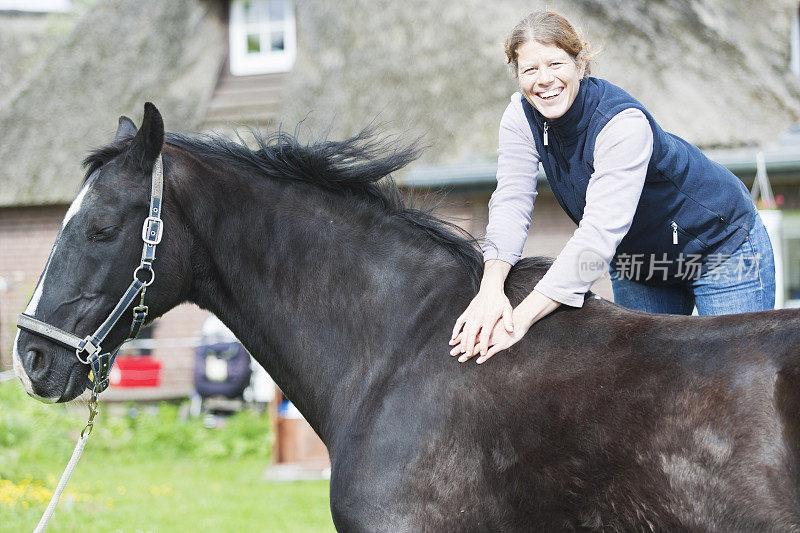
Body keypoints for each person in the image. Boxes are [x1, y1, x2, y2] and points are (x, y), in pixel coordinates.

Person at [449, 10, 775, 365]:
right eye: (530, 70)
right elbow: (511, 201)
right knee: (646, 381)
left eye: (556, 63)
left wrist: (519, 320)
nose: (544, 80)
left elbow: (599, 234)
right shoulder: (520, 119)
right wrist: (490, 288)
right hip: (641, 262)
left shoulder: (621, 124)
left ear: (580, 63)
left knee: (729, 378)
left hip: (718, 248)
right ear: (517, 75)